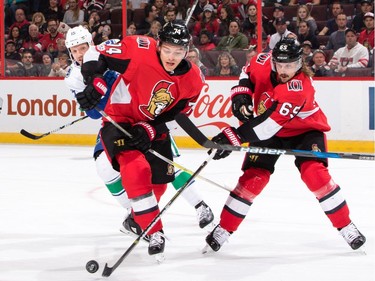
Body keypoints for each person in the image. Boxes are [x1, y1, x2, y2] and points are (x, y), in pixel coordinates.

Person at [204, 38, 366, 253]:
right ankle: (224, 228)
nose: (284, 70)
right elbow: (246, 73)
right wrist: (241, 94)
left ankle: (346, 226)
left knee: (315, 174)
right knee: (253, 179)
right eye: (280, 65)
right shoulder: (262, 60)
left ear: (300, 63)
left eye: (290, 65)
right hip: (270, 128)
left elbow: (268, 126)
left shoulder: (299, 87)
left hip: (304, 130)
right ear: (273, 60)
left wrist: (233, 136)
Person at [74, 22, 210, 257]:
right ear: (158, 45)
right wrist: (95, 80)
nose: (172, 57)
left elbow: (174, 113)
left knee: (160, 180)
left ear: (187, 51)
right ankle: (153, 230)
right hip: (120, 121)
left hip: (150, 126)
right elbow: (95, 52)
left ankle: (137, 220)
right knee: (134, 168)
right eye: (167, 49)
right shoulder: (138, 49)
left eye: (178, 52)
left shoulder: (193, 80)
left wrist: (149, 128)